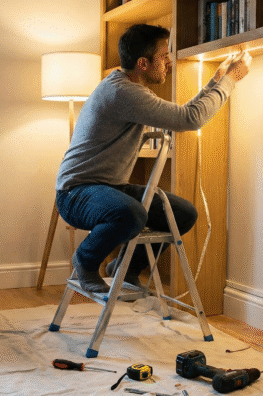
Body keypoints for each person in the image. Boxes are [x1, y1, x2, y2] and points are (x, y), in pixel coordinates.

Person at [55, 23, 252, 293]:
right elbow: (189, 118)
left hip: (110, 188)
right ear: (143, 63)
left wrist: (216, 81)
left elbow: (184, 112)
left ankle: (126, 267)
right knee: (131, 214)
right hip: (76, 193)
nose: (169, 63)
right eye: (164, 56)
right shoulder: (124, 93)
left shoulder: (123, 85)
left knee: (182, 214)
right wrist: (231, 80)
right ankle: (85, 261)